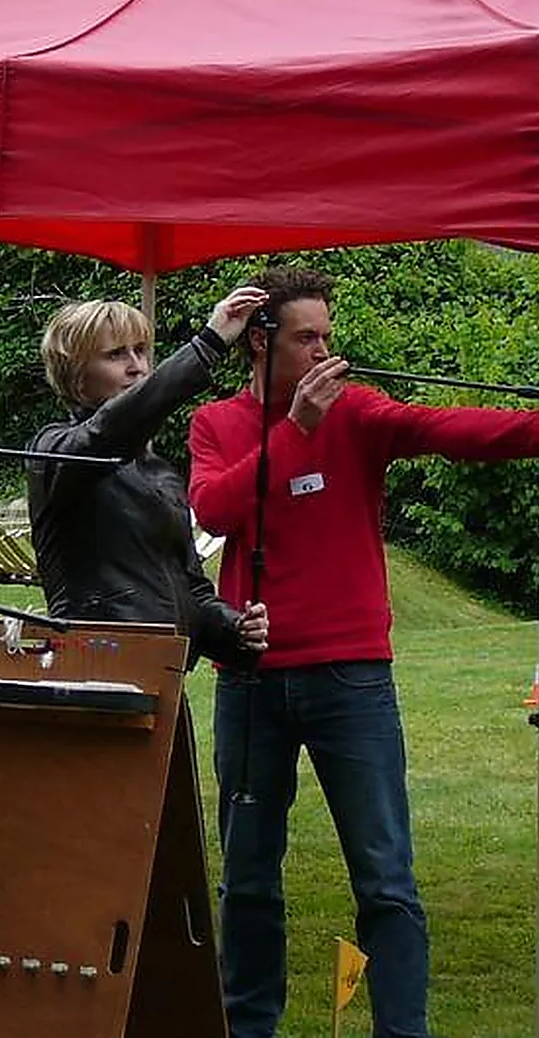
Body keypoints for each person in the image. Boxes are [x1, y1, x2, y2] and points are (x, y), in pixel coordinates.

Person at [188, 265, 539, 1038]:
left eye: (327, 336)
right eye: (306, 336)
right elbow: (214, 508)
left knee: (385, 877)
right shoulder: (216, 424)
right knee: (247, 877)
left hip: (352, 678)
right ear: (260, 339)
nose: (323, 351)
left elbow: (450, 431)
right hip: (249, 679)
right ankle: (249, 1026)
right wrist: (294, 432)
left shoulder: (358, 411)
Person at [27, 296, 268, 666]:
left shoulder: (159, 472)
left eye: (141, 351)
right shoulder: (55, 450)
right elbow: (104, 433)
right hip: (95, 673)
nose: (137, 367)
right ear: (76, 374)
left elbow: (189, 589)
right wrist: (208, 344)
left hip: (161, 676)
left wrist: (234, 627)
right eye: (115, 355)